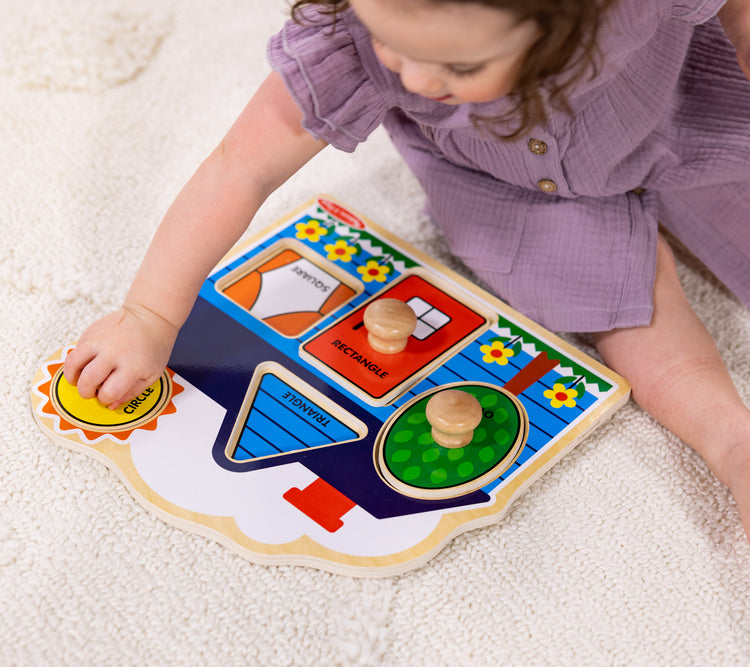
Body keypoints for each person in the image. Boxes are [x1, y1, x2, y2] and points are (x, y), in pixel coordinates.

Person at [64, 0, 750, 540]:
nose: (415, 80)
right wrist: (149, 316)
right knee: (622, 307)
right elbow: (239, 166)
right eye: (392, 42)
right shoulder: (356, 39)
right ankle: (732, 444)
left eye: (458, 68)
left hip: (671, 115)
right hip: (510, 189)